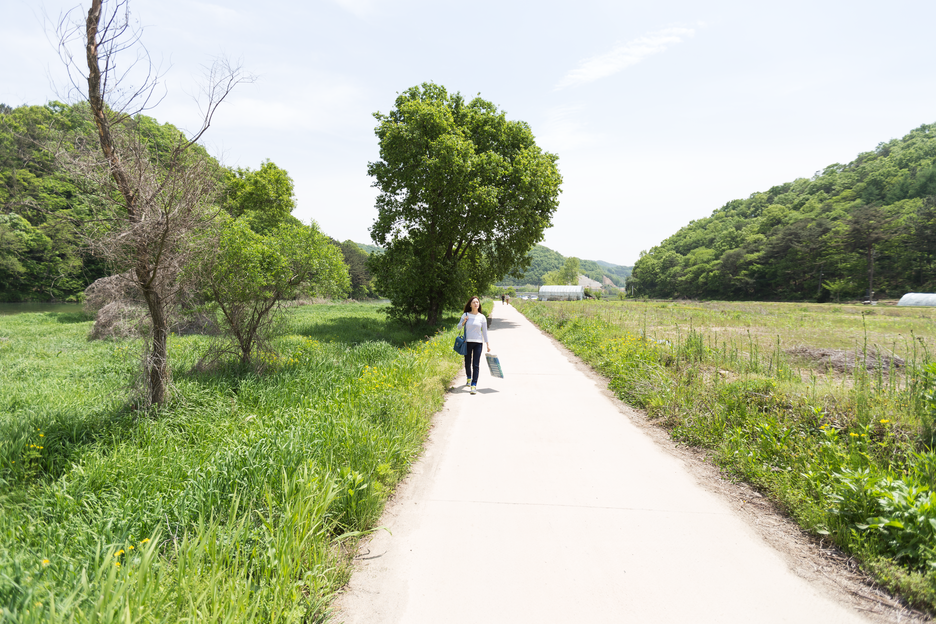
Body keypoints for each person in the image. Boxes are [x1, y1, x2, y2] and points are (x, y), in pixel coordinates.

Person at [458, 295, 490, 395]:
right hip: (467, 342)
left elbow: (484, 332)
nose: (476, 304)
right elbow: (459, 327)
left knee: (476, 364)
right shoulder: (465, 315)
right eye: (474, 302)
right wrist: (464, 322)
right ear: (470, 305)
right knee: (467, 362)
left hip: (478, 343)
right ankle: (468, 377)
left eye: (477, 302)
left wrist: (488, 344)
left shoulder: (482, 317)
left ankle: (473, 384)